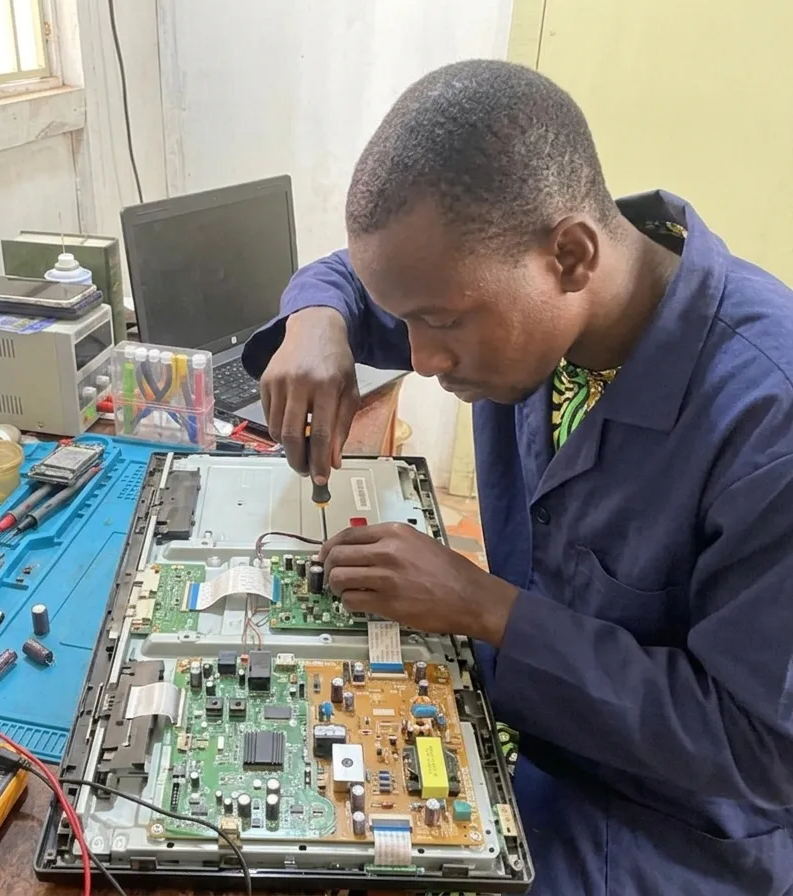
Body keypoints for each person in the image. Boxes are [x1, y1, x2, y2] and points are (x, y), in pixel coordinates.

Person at [241, 59, 793, 895]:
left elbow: (757, 747)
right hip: (537, 736)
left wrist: (482, 607)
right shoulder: (525, 300)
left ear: (569, 256)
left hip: (676, 826)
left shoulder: (768, 418)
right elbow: (360, 276)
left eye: (439, 322)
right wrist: (317, 322)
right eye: (404, 323)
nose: (421, 360)